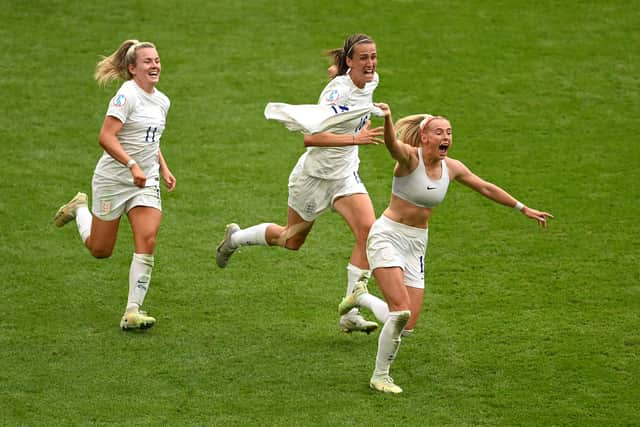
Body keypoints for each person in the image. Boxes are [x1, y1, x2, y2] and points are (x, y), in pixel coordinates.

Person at [338, 103, 553, 394]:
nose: (446, 137)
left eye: (449, 132)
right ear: (424, 136)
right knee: (399, 313)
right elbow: (391, 144)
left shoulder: (451, 168)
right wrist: (388, 118)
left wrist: (522, 207)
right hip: (387, 236)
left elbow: (485, 187)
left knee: (407, 324)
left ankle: (361, 296)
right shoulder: (408, 160)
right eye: (439, 132)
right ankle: (380, 376)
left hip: (416, 244)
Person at [215, 33, 384, 333]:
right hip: (313, 178)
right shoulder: (336, 94)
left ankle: (350, 312)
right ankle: (235, 239)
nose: (370, 63)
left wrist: (340, 73)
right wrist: (354, 138)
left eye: (373, 57)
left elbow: (352, 85)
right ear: (350, 61)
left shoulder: (371, 80)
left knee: (368, 231)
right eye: (363, 58)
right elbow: (311, 137)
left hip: (344, 177)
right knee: (291, 240)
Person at [54, 39, 176, 331]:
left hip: (145, 181)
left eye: (157, 60)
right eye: (147, 61)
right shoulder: (126, 96)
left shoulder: (162, 101)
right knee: (100, 250)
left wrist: (163, 167)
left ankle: (132, 311)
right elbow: (106, 137)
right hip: (113, 179)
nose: (154, 65)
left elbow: (150, 139)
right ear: (132, 68)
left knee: (147, 239)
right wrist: (131, 165)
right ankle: (80, 209)